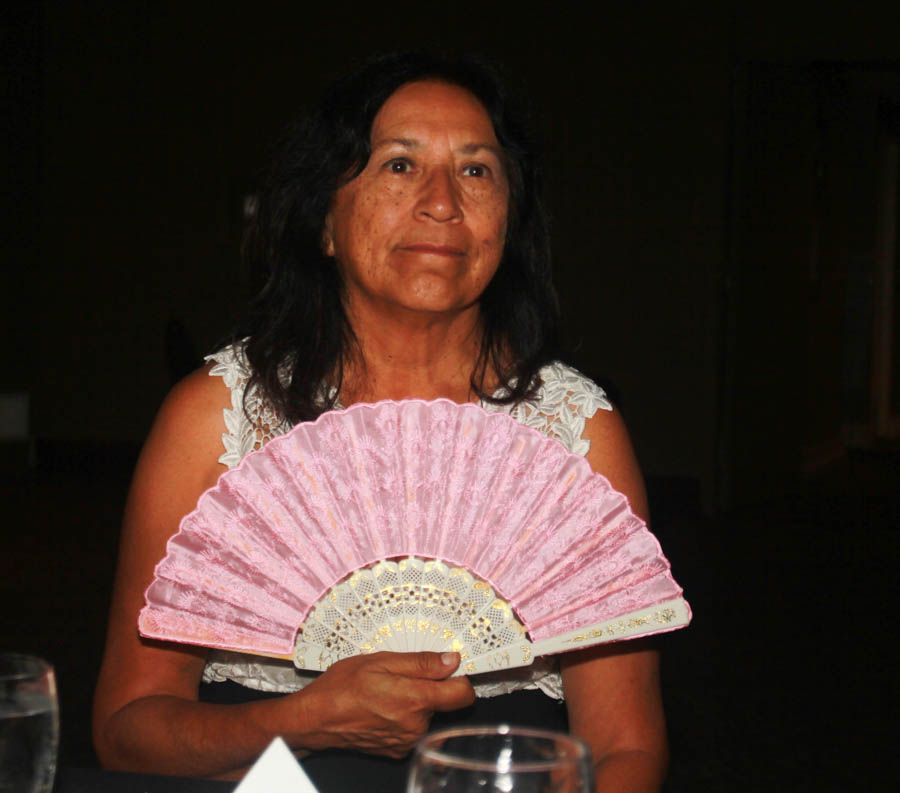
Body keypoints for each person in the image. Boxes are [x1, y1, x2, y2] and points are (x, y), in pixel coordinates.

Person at [92, 52, 669, 792]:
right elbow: (126, 732)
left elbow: (625, 748)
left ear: (508, 221)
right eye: (399, 165)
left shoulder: (578, 434)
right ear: (325, 223)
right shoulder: (217, 418)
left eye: (475, 170)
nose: (442, 203)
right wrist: (300, 719)